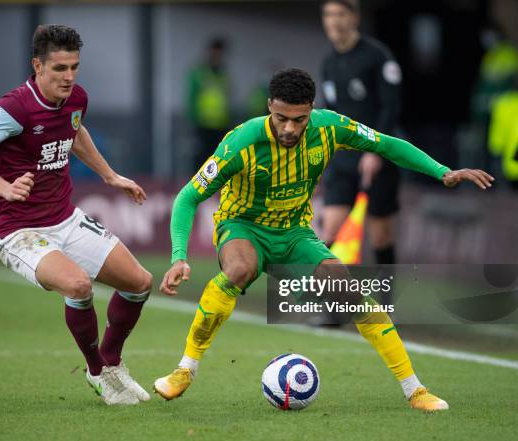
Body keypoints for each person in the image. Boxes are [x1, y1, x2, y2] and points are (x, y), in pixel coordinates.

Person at [153, 68, 493, 411]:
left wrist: (442, 172)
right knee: (240, 268)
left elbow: (386, 145)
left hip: (293, 232)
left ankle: (415, 389)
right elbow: (187, 198)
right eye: (280, 117)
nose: (289, 128)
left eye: (298, 120)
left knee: (348, 289)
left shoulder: (330, 127)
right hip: (242, 227)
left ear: (311, 110)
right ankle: (185, 369)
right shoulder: (240, 141)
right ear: (269, 106)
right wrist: (179, 256)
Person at [0, 24, 152, 406]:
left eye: (74, 66)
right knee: (78, 286)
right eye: (59, 68)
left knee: (140, 282)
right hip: (18, 230)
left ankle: (112, 363)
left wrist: (110, 175)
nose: (69, 76)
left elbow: (74, 133)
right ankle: (97, 373)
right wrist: (4, 188)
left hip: (66, 218)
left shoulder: (76, 98)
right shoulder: (13, 107)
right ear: (37, 66)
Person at [319, 0, 403, 266]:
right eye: (329, 14)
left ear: (354, 17)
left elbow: (391, 106)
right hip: (343, 160)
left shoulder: (377, 56)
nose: (334, 20)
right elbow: (330, 112)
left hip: (378, 155)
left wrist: (376, 151)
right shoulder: (329, 63)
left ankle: (386, 305)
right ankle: (332, 305)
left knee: (380, 237)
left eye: (340, 14)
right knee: (330, 230)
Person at [186, 37, 232, 170]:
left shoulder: (223, 74)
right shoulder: (199, 73)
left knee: (219, 159)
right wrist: (193, 120)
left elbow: (226, 98)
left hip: (220, 124)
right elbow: (191, 97)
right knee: (201, 158)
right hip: (202, 124)